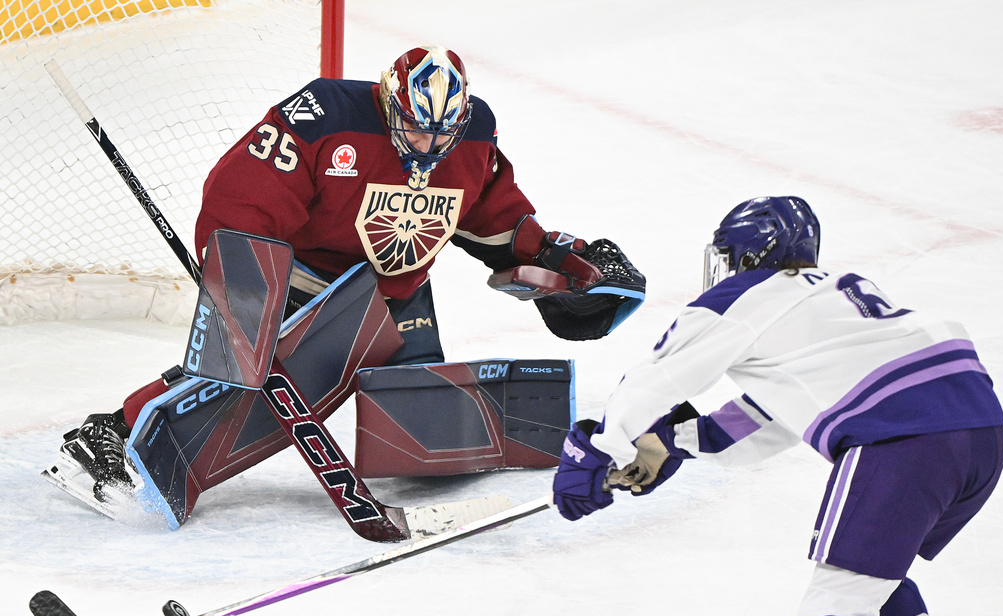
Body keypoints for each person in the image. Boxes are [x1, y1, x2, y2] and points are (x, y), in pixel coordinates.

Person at [53, 45, 644, 512]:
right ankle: (116, 435)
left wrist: (564, 262)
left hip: (398, 294)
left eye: (443, 135)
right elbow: (242, 198)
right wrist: (247, 289)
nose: (429, 148)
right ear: (390, 104)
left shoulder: (474, 136)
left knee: (427, 443)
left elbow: (494, 218)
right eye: (415, 132)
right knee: (247, 388)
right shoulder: (323, 116)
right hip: (315, 289)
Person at [551, 196, 1003, 616]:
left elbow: (653, 381)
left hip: (905, 438)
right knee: (873, 577)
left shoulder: (747, 294)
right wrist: (670, 444)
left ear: (746, 254)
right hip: (981, 430)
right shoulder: (831, 298)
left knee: (833, 614)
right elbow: (770, 418)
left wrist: (597, 450)